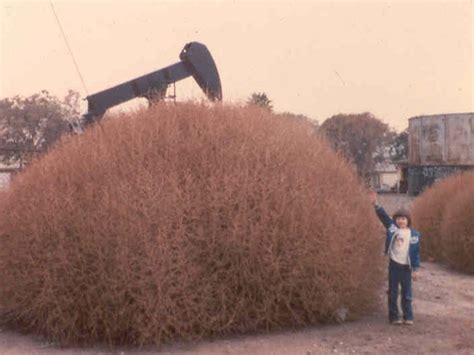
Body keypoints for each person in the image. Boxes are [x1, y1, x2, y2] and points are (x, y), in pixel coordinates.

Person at [369, 191, 421, 325]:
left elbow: (415, 253)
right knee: (392, 292)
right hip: (394, 266)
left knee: (407, 294)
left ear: (408, 220)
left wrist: (415, 269)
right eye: (398, 218)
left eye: (403, 218)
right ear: (395, 220)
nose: (400, 221)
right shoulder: (392, 228)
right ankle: (393, 317)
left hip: (406, 268)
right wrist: (376, 204)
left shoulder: (414, 234)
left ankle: (408, 316)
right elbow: (384, 217)